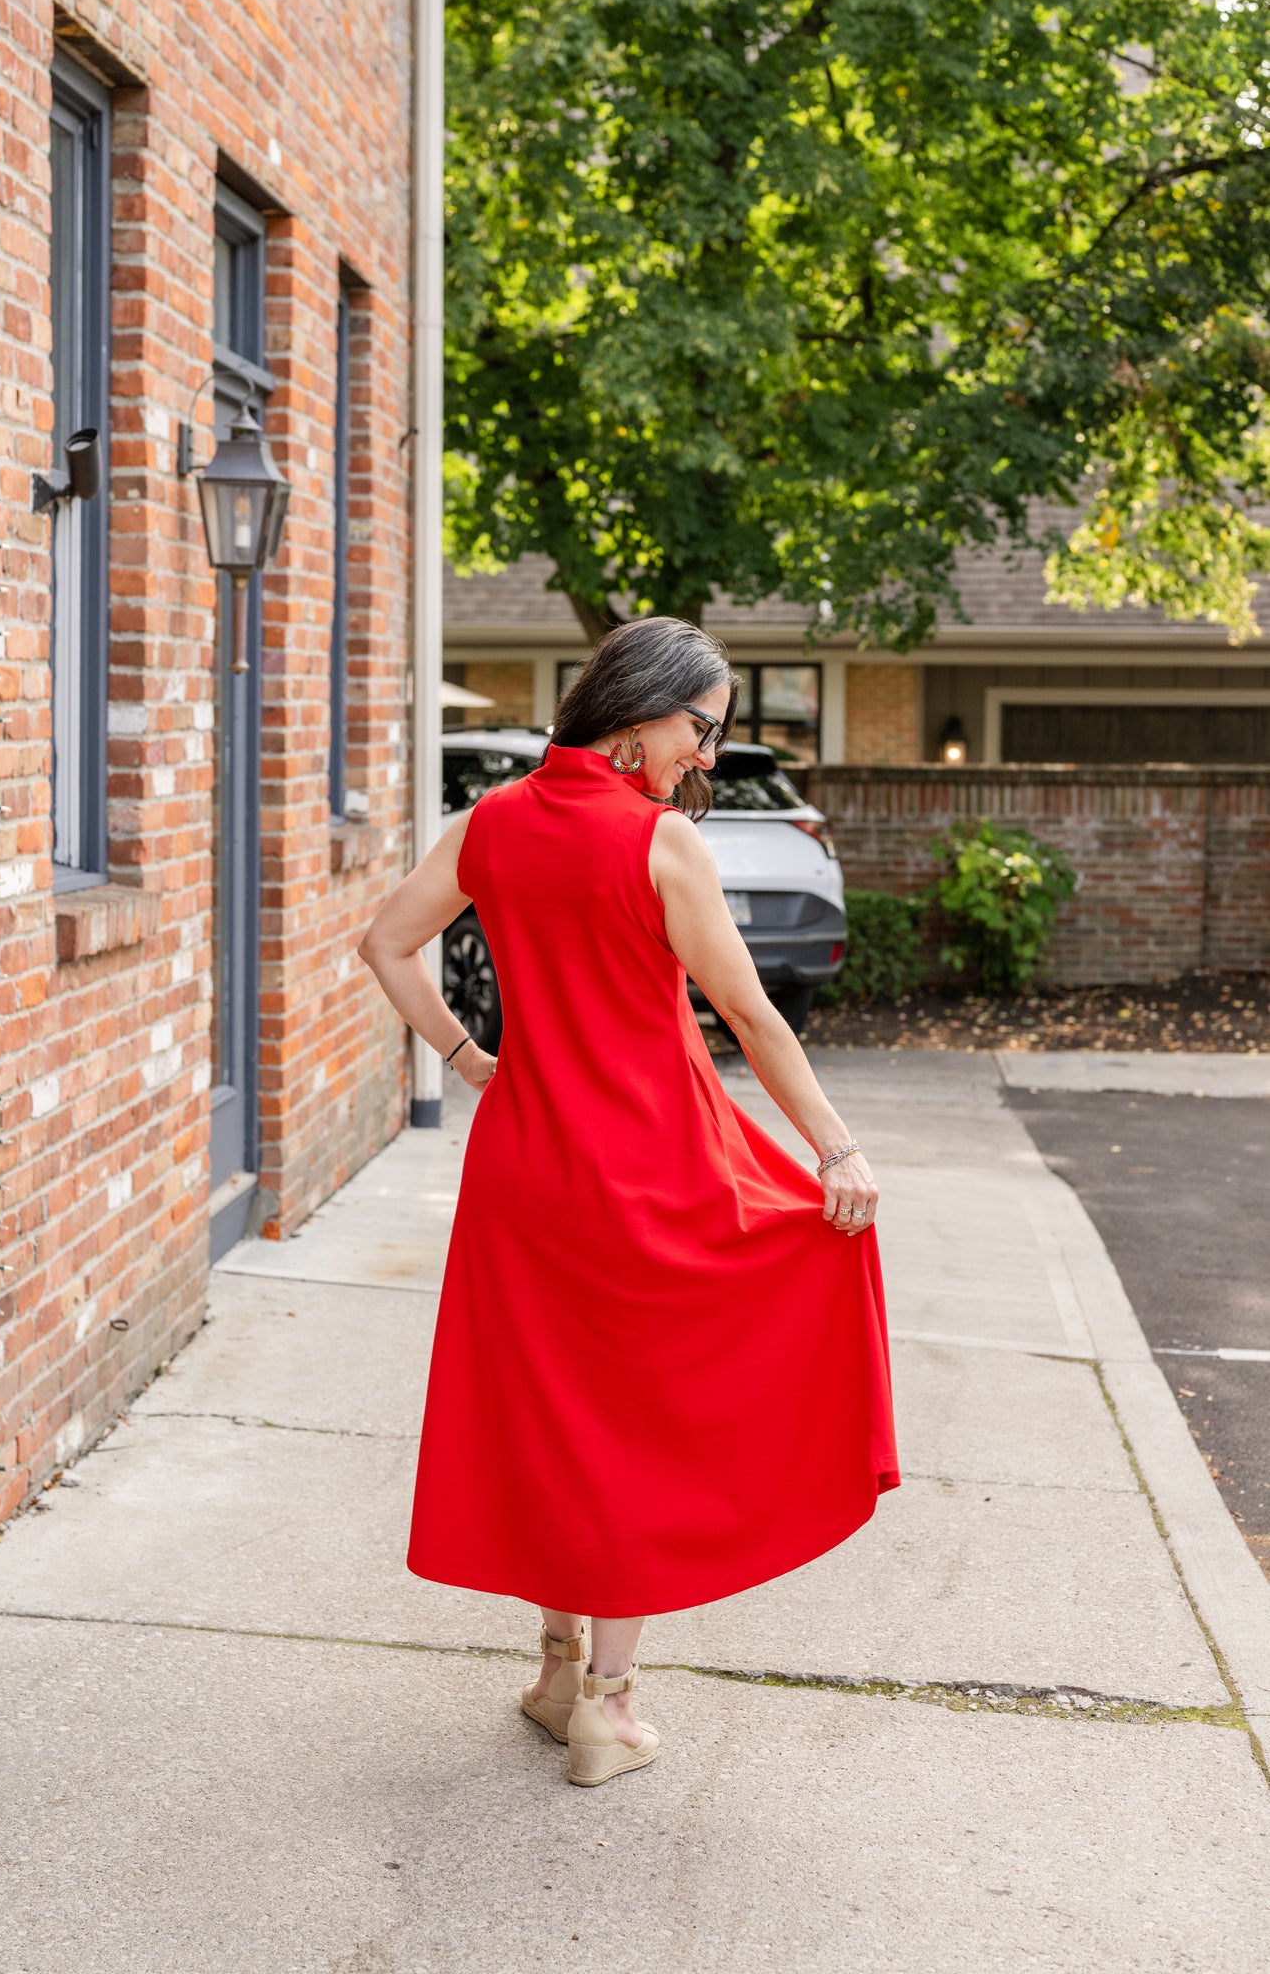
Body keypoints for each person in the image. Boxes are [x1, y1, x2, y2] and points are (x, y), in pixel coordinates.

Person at [360, 618, 898, 1787]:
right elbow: (751, 1016)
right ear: (641, 714)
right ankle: (606, 1706)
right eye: (700, 727)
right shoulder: (661, 845)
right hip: (647, 1168)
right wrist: (838, 1151)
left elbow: (385, 943)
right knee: (638, 1429)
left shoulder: (489, 823)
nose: (705, 753)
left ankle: (556, 1673)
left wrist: (470, 1061)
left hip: (522, 1167)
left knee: (553, 1413)